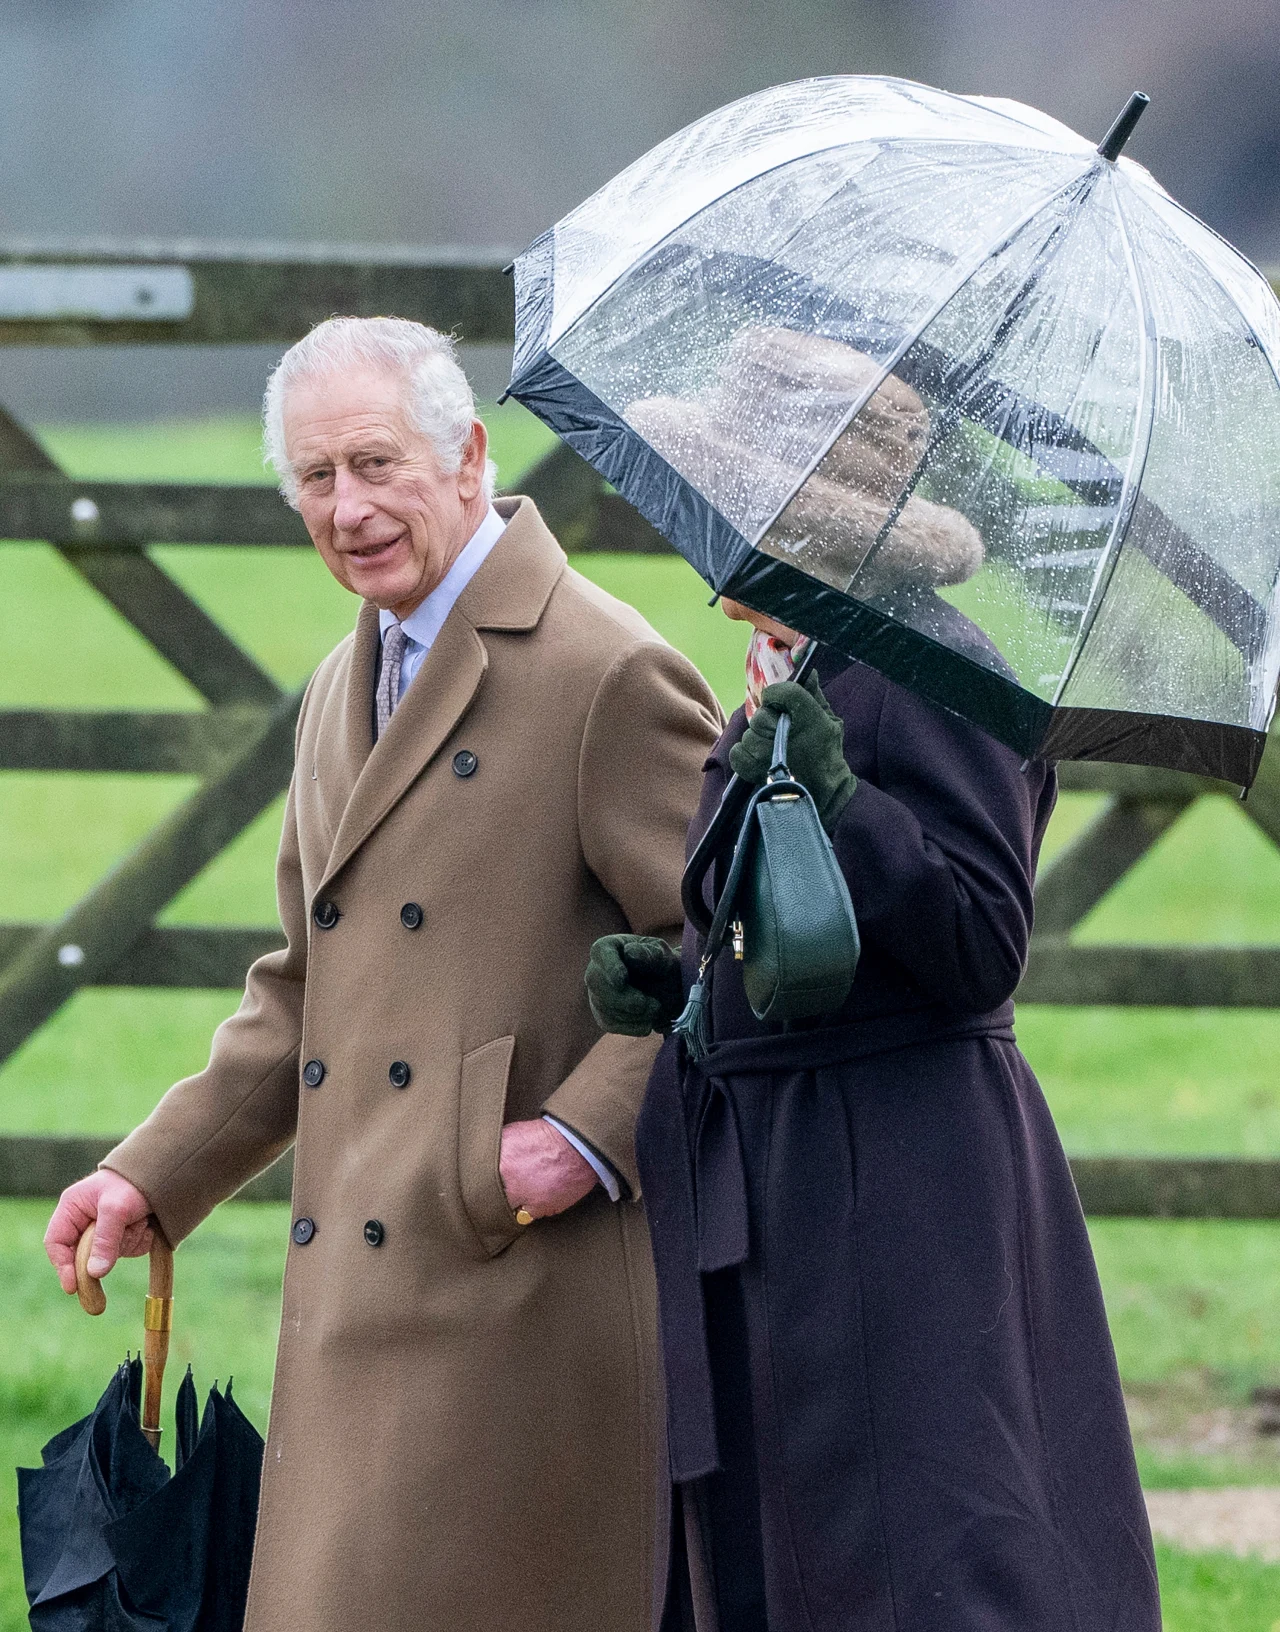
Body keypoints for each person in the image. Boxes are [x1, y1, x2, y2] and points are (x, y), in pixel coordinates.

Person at [44, 316, 723, 1632]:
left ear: (466, 456)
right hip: (356, 1301)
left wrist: (580, 1138)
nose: (346, 509)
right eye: (314, 478)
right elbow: (309, 986)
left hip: (522, 1296)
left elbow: (726, 945)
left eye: (375, 463)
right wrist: (151, 1173)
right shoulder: (336, 684)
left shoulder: (606, 672)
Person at [586, 333, 1160, 1631]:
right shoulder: (804, 666)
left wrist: (845, 793)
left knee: (916, 1549)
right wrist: (683, 979)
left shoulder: (939, 673)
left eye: (728, 500)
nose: (704, 533)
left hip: (900, 1178)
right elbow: (801, 908)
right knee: (799, 1542)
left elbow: (977, 939)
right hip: (790, 1170)